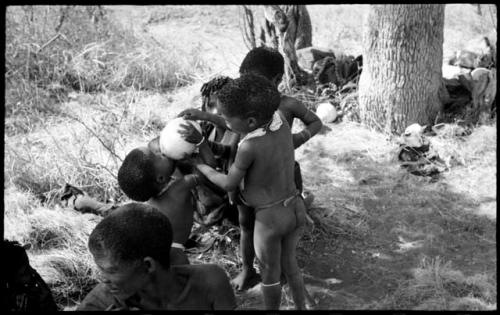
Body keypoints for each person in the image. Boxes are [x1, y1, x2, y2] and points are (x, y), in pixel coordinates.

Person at [195, 73, 307, 310]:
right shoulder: (279, 121)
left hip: (270, 218)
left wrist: (201, 166)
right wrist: (205, 116)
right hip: (294, 206)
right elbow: (238, 123)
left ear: (251, 122)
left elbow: (228, 184)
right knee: (291, 266)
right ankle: (300, 307)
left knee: (270, 275)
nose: (225, 122)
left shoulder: (248, 147)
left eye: (226, 117)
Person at [77, 203, 237, 310]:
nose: (102, 278)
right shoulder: (99, 304)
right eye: (100, 268)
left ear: (148, 266)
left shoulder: (209, 283)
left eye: (111, 271)